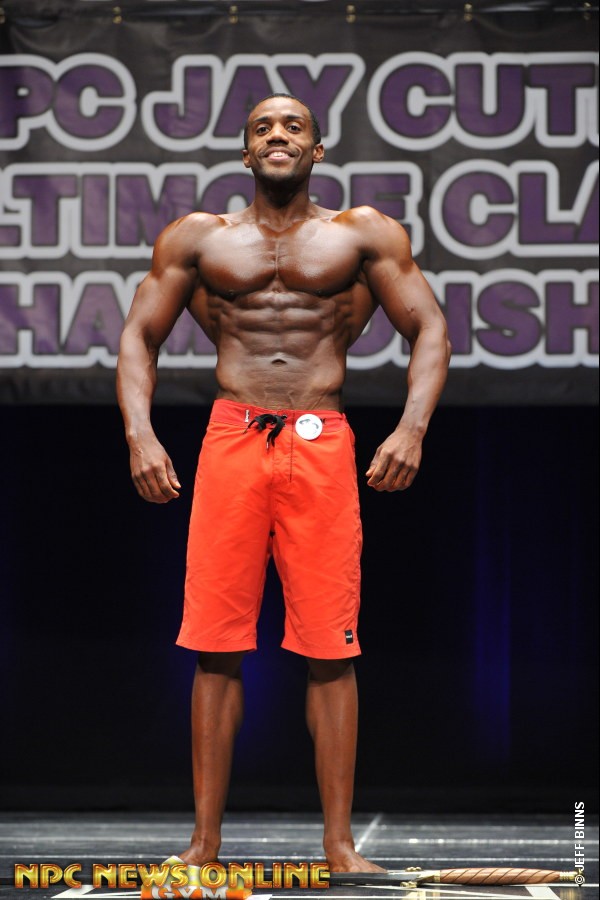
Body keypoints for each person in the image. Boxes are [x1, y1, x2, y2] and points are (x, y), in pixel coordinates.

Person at [117, 93, 451, 874]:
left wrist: (411, 429)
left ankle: (338, 845)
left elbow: (429, 326)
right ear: (245, 153)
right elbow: (138, 335)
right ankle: (204, 843)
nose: (278, 135)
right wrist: (140, 434)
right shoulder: (199, 238)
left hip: (320, 439)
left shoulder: (362, 234)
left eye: (293, 126)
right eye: (263, 127)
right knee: (214, 647)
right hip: (232, 438)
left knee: (331, 648)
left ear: (317, 149)